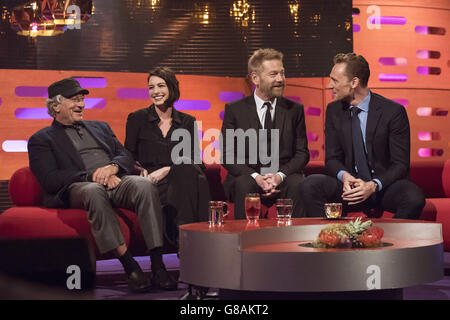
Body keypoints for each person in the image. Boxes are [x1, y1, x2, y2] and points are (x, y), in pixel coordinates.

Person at [27, 78, 177, 293]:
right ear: (55, 106)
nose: (81, 105)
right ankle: (129, 265)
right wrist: (93, 175)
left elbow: (124, 154)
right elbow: (50, 179)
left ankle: (157, 264)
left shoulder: (100, 127)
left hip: (116, 180)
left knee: (143, 185)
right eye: (74, 100)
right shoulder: (41, 139)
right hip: (79, 187)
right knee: (94, 190)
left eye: (82, 99)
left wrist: (113, 168)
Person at [299, 53, 425, 219]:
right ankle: (329, 238)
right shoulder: (334, 111)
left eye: (335, 80)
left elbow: (400, 164)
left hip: (382, 187)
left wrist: (373, 185)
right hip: (348, 188)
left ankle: (387, 242)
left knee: (413, 197)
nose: (330, 85)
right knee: (310, 184)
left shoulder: (393, 112)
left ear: (354, 82)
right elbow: (332, 159)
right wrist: (345, 177)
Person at [220, 48, 310, 219]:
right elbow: (227, 155)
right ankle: (245, 240)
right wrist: (256, 177)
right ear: (255, 78)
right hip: (247, 177)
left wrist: (278, 176)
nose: (280, 79)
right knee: (244, 183)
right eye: (273, 74)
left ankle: (295, 240)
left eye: (282, 73)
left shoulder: (294, 110)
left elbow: (302, 153)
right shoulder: (235, 110)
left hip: (283, 177)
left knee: (297, 183)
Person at [125, 67, 210, 244]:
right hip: (150, 183)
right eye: (151, 87)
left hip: (179, 181)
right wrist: (138, 170)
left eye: (161, 86)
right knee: (195, 183)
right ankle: (194, 241)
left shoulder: (187, 122)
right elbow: (127, 156)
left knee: (188, 172)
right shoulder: (137, 118)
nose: (155, 92)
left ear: (172, 88)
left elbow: (195, 159)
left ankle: (184, 240)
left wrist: (167, 169)